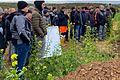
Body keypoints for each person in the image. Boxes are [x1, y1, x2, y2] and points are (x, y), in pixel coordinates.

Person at [10, 1, 31, 72]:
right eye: (27, 6)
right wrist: (27, 40)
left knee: (18, 62)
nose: (28, 8)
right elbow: (21, 32)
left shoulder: (17, 15)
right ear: (23, 8)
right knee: (21, 63)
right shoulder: (20, 17)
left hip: (18, 41)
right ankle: (20, 77)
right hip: (21, 42)